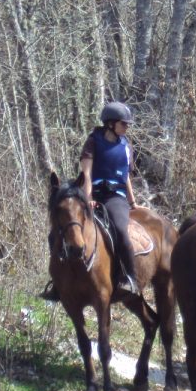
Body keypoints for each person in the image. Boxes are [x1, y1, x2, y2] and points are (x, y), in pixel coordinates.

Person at [80, 101, 140, 294]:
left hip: (115, 197)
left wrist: (132, 202)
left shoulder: (126, 146)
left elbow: (126, 176)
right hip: (94, 193)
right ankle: (58, 281)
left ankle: (130, 278)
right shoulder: (93, 142)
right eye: (124, 123)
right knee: (65, 225)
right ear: (111, 124)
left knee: (121, 230)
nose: (127, 127)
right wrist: (88, 198)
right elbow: (87, 174)